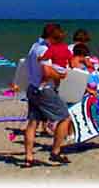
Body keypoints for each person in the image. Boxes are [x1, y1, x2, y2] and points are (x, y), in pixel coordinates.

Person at [24, 23, 72, 167]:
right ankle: (55, 152)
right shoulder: (45, 49)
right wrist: (61, 75)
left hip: (32, 87)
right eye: (56, 39)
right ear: (50, 37)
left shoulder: (34, 46)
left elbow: (28, 65)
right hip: (44, 90)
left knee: (33, 123)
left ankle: (29, 158)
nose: (58, 42)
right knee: (65, 117)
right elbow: (47, 71)